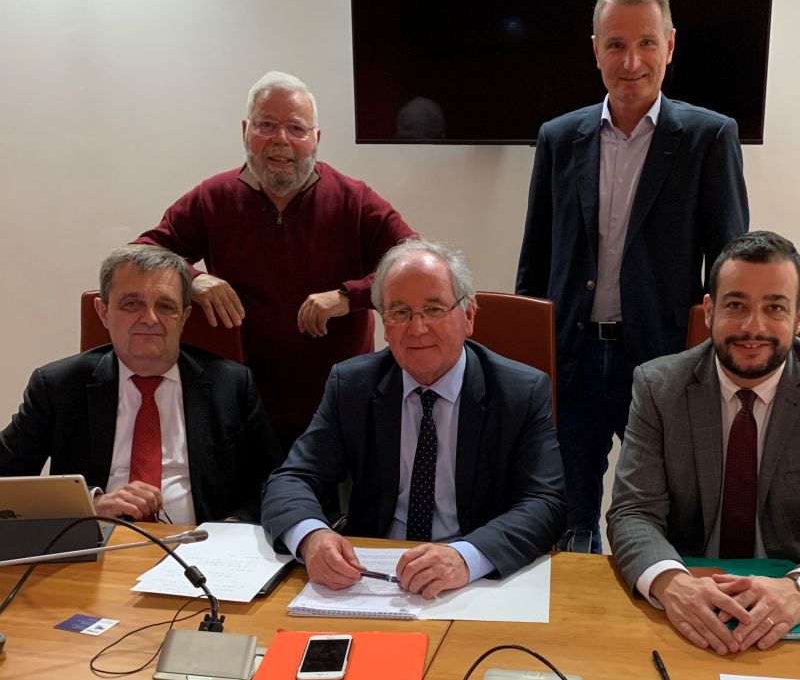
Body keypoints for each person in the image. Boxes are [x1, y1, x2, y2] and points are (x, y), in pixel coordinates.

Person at [516, 0, 749, 553]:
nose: (631, 61)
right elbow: (535, 260)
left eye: (646, 43)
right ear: (595, 48)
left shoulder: (708, 137)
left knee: (663, 513)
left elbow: (730, 273)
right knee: (568, 517)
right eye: (616, 44)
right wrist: (531, 358)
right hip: (570, 358)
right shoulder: (558, 138)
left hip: (662, 359)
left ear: (670, 46)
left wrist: (710, 364)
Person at [607, 231, 800, 655]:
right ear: (709, 311)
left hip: (792, 608)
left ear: (799, 317)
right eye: (735, 305)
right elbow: (633, 512)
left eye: (774, 308)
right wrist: (671, 582)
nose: (752, 327)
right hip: (686, 604)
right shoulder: (658, 385)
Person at [261, 239, 565, 598]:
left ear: (468, 317)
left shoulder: (520, 391)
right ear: (385, 326)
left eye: (434, 309)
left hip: (475, 580)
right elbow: (293, 478)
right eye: (400, 312)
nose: (417, 329)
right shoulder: (353, 385)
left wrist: (466, 557)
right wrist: (312, 537)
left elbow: (546, 504)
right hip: (372, 578)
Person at [136, 71, 417, 449]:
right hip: (241, 404)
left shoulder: (353, 199)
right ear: (245, 131)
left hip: (339, 403)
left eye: (296, 129)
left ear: (315, 140)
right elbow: (144, 253)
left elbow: (414, 260)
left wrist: (348, 296)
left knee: (340, 506)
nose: (281, 140)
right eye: (266, 125)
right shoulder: (213, 198)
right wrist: (193, 279)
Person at [0, 245, 283, 524]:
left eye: (165, 306)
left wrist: (235, 527)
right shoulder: (58, 386)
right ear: (103, 313)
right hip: (96, 548)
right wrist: (91, 505)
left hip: (201, 551)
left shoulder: (231, 384)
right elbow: (6, 482)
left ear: (184, 317)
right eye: (131, 304)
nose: (149, 319)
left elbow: (274, 480)